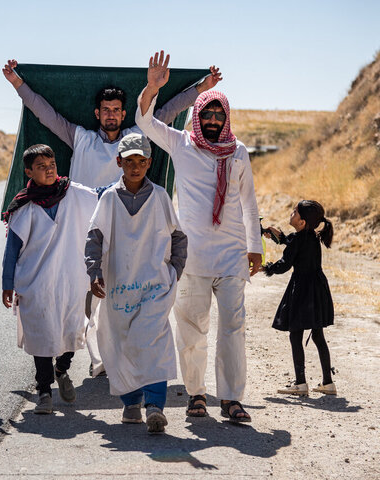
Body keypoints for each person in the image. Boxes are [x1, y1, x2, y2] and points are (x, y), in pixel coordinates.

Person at [2, 59, 221, 377]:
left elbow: (169, 111)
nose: (111, 115)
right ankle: (71, 357)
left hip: (121, 234)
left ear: (123, 112)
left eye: (117, 109)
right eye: (106, 109)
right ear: (97, 113)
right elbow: (44, 113)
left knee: (111, 301)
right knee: (76, 302)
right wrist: (17, 84)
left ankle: (103, 359)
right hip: (76, 236)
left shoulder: (136, 136)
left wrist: (201, 88)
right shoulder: (79, 138)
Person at [135, 51, 263, 423]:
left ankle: (231, 398)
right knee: (191, 330)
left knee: (233, 329)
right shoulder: (180, 144)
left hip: (233, 255)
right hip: (191, 257)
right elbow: (144, 120)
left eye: (217, 114)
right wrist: (152, 87)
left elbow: (249, 203)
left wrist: (255, 248)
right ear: (197, 116)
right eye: (206, 113)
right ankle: (195, 395)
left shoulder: (237, 152)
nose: (211, 119)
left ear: (226, 118)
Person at [85, 133, 187, 434]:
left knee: (152, 338)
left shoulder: (159, 197)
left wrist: (175, 270)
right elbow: (94, 236)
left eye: (141, 161)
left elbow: (179, 236)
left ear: (149, 163)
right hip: (118, 285)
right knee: (118, 341)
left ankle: (155, 405)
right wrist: (93, 272)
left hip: (155, 284)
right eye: (129, 161)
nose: (135, 167)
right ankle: (131, 403)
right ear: (119, 162)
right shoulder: (108, 199)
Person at [1, 144, 98, 414]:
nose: (49, 170)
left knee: (73, 331)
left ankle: (62, 369)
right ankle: (44, 391)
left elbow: (101, 194)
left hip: (71, 280)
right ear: (29, 171)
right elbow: (11, 251)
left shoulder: (74, 193)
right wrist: (7, 284)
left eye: (52, 164)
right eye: (41, 167)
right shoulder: (23, 206)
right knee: (41, 337)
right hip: (36, 284)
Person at [262, 200, 337, 396]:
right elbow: (296, 244)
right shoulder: (311, 237)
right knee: (318, 336)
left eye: (295, 212)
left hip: (302, 290)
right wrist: (281, 238)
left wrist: (266, 267)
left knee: (296, 334)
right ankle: (328, 383)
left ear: (302, 222)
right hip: (317, 289)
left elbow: (285, 264)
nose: (291, 212)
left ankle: (300, 383)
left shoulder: (298, 240)